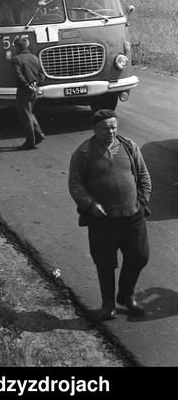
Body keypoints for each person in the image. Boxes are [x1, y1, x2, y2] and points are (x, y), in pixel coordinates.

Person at [68, 109, 152, 321]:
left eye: (114, 126)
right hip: (102, 220)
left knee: (140, 256)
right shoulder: (83, 153)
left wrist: (141, 202)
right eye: (106, 128)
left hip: (133, 216)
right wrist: (90, 204)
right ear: (94, 129)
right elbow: (75, 185)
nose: (111, 131)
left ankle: (126, 295)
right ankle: (108, 304)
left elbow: (143, 176)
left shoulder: (128, 146)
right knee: (105, 263)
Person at [10, 35, 45, 150]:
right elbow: (42, 74)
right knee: (29, 113)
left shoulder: (16, 59)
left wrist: (27, 86)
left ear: (16, 47)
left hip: (24, 91)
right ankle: (39, 135)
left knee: (26, 116)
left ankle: (30, 142)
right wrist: (36, 84)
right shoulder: (34, 57)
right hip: (35, 90)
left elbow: (19, 76)